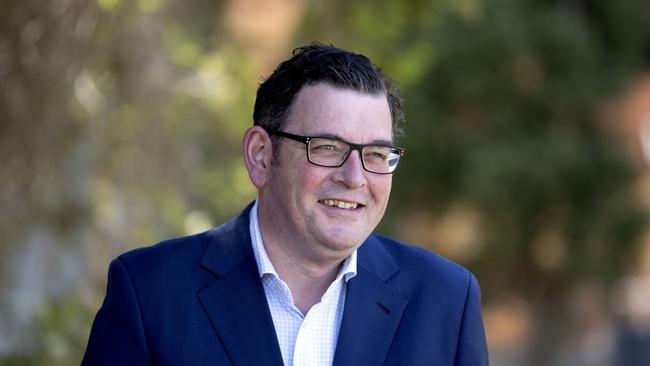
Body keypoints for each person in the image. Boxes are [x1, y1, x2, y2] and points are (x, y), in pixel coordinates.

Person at [82, 43, 489, 366]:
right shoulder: (150, 294)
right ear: (261, 155)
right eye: (328, 148)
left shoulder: (446, 301)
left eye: (377, 154)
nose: (355, 177)